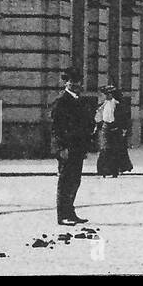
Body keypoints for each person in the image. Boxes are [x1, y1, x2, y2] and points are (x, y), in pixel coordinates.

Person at [51, 68, 93, 225]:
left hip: (78, 147)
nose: (75, 84)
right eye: (71, 81)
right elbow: (57, 128)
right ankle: (62, 215)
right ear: (66, 83)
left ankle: (70, 212)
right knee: (65, 181)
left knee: (75, 180)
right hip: (67, 148)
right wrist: (62, 148)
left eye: (77, 81)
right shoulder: (61, 100)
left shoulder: (79, 101)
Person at [95, 85, 134, 177]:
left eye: (107, 94)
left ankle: (114, 170)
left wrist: (124, 129)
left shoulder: (117, 104)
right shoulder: (102, 105)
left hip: (116, 128)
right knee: (105, 148)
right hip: (105, 128)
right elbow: (98, 117)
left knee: (115, 150)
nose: (106, 96)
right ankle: (103, 170)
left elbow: (124, 118)